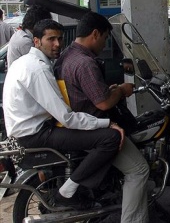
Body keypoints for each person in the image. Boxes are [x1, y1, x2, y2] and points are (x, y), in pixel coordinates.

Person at [3, 19, 123, 210]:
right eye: (51, 39)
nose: (57, 44)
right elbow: (66, 117)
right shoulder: (38, 69)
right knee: (110, 138)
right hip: (36, 134)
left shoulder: (26, 62)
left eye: (59, 39)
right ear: (36, 41)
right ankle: (67, 192)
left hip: (27, 130)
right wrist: (106, 123)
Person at [54, 12, 150, 223]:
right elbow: (103, 102)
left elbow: (88, 92)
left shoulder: (68, 55)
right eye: (106, 37)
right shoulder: (85, 62)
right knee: (139, 169)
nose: (105, 42)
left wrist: (108, 89)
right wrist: (122, 90)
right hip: (95, 127)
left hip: (77, 123)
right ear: (95, 34)